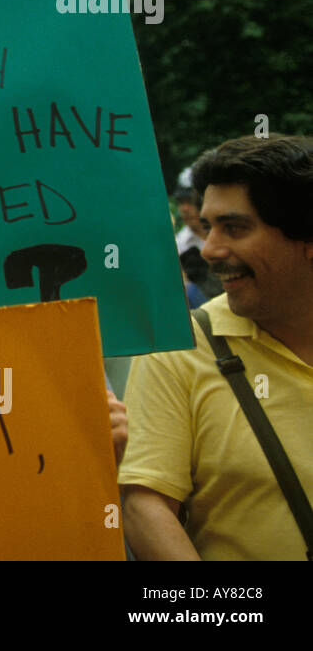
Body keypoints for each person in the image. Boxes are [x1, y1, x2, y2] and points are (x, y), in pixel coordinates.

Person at [120, 134, 313, 560]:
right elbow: (145, 504)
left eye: (235, 228)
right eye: (208, 228)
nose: (209, 250)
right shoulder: (181, 345)